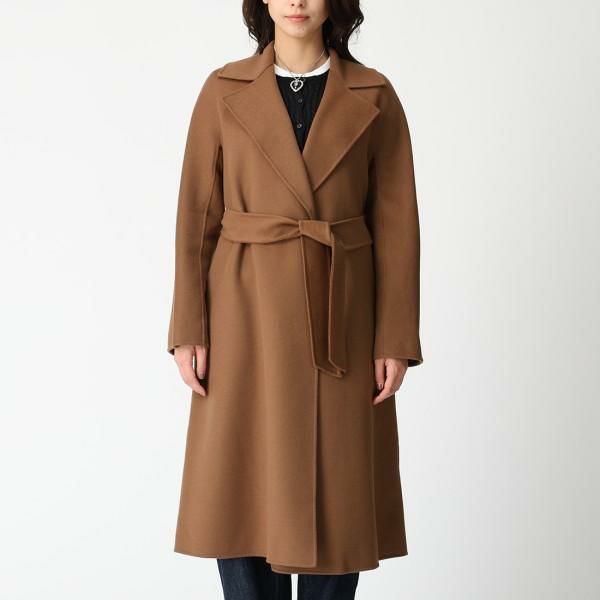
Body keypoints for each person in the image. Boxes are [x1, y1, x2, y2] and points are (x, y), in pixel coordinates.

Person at [166, 1, 423, 598]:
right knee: (240, 489)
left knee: (339, 496)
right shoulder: (223, 90)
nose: (297, 2)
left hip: (341, 318)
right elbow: (196, 216)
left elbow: (397, 225)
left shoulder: (375, 95)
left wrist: (394, 337)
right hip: (244, 315)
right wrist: (189, 327)